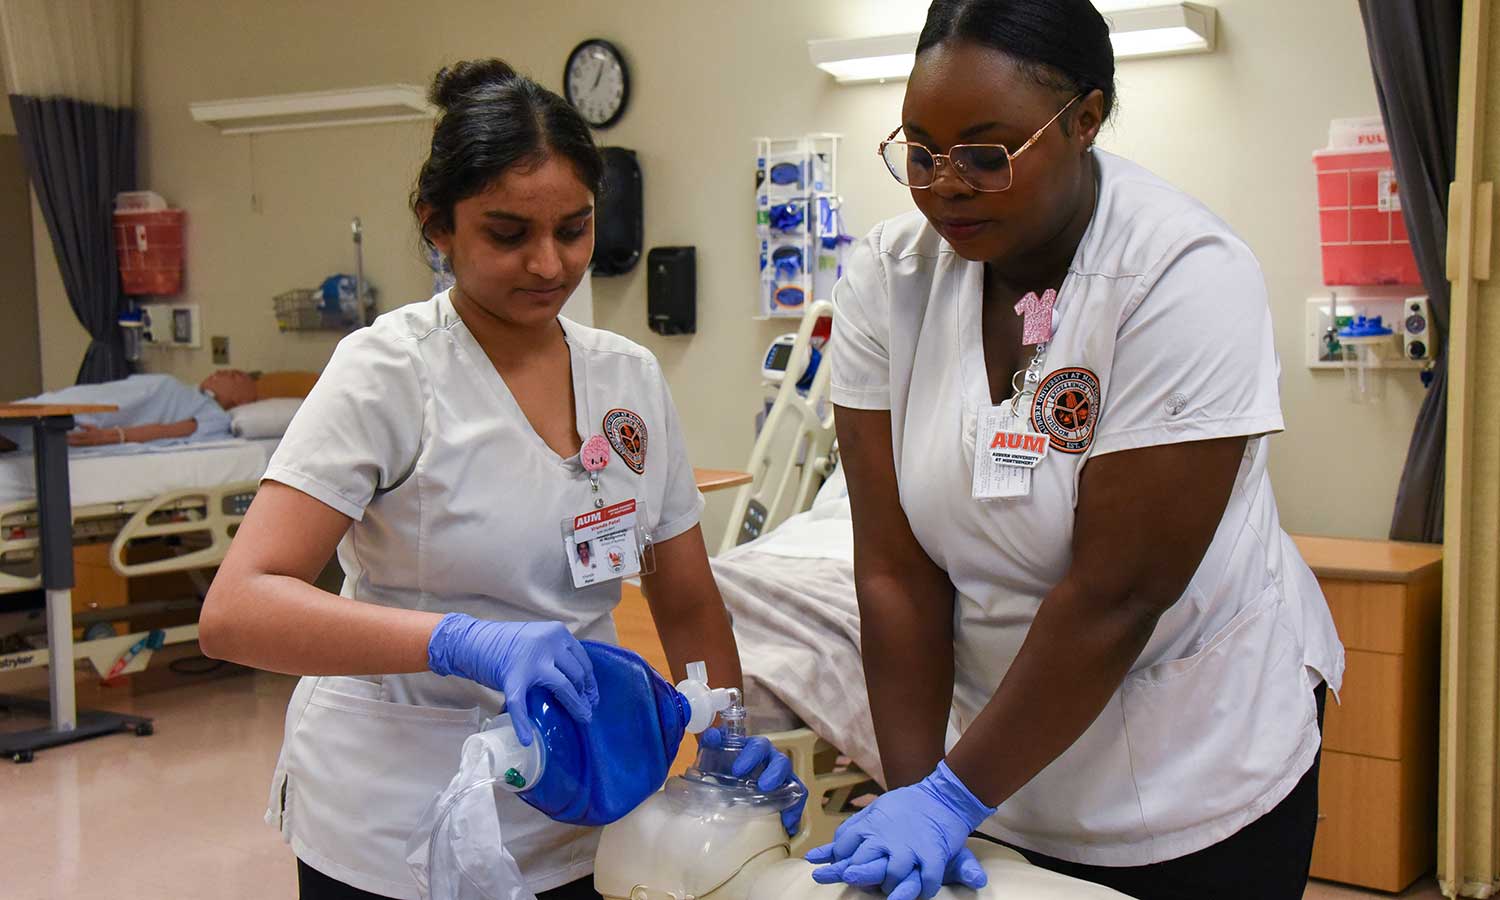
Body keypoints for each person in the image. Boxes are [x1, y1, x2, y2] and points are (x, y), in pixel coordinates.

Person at [198, 59, 798, 900]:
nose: (549, 264)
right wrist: (459, 641)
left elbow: (688, 598)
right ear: (437, 226)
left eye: (575, 229)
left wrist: (727, 735)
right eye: (508, 234)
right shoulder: (388, 372)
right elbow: (237, 610)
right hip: (395, 825)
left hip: (585, 806)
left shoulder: (626, 379)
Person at [810, 3, 1344, 900]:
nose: (944, 185)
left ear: (1086, 119)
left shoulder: (1183, 274)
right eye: (921, 150)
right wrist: (917, 796)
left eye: (987, 153)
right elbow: (895, 571)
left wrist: (947, 796)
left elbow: (1118, 594)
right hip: (1002, 765)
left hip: (1196, 762)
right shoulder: (890, 276)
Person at [0, 369, 258, 452]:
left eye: (235, 376)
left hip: (107, 419)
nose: (223, 371)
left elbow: (168, 430)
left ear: (242, 400)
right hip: (99, 400)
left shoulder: (216, 415)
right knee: (44, 408)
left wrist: (111, 436)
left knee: (37, 426)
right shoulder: (186, 389)